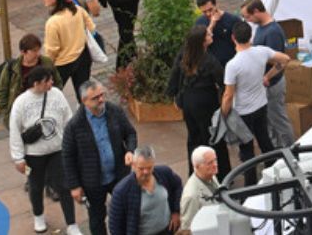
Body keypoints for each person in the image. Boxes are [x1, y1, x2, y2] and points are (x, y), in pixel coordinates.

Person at [62, 81, 137, 235]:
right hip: (93, 181)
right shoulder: (74, 125)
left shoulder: (114, 111)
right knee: (97, 218)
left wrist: (130, 150)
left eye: (102, 94)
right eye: (95, 98)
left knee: (127, 210)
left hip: (119, 174)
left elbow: (130, 133)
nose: (101, 99)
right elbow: (68, 157)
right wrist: (74, 186)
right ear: (84, 101)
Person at [9, 70, 78, 234]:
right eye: (47, 81)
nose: (51, 83)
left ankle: (72, 224)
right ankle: (38, 216)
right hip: (33, 156)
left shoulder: (57, 94)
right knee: (35, 186)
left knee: (64, 186)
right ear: (36, 83)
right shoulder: (21, 102)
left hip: (57, 151)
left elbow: (68, 118)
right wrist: (18, 158)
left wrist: (72, 143)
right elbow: (15, 131)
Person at [220, 22, 292, 174]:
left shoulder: (232, 65)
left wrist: (223, 114)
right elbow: (285, 59)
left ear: (233, 38)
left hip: (243, 112)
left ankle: (251, 182)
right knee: (264, 140)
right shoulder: (262, 51)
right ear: (250, 36)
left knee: (247, 150)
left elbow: (228, 95)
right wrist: (268, 76)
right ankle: (273, 174)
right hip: (261, 105)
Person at [166, 27, 226, 178]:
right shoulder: (210, 61)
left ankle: (195, 173)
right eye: (208, 34)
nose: (211, 34)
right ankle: (218, 174)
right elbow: (223, 81)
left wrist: (175, 96)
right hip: (206, 102)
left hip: (189, 101)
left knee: (193, 138)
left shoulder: (185, 54)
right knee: (212, 137)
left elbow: (174, 75)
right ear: (203, 41)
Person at [241, 0, 296, 151]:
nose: (248, 20)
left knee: (278, 120)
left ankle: (292, 151)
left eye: (248, 16)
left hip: (272, 84)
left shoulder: (273, 32)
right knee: (269, 121)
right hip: (265, 84)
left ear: (256, 11)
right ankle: (277, 150)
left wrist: (267, 77)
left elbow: (280, 62)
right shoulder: (261, 27)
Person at [105, 148, 182, 235]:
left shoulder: (164, 173)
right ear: (133, 166)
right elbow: (115, 227)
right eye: (141, 168)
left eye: (149, 167)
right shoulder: (121, 191)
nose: (146, 172)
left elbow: (177, 186)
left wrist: (176, 211)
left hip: (167, 231)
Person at [42, 0, 95, 100]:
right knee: (83, 96)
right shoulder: (78, 10)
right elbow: (91, 28)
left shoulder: (53, 22)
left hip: (62, 64)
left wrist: (46, 68)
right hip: (82, 57)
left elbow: (52, 50)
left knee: (51, 96)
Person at [0, 34, 62, 114]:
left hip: (45, 108)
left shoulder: (46, 62)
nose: (38, 54)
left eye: (39, 50)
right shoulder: (11, 68)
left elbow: (58, 82)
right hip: (21, 111)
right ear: (23, 52)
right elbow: (1, 91)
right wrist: (8, 112)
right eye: (34, 51)